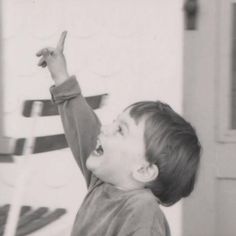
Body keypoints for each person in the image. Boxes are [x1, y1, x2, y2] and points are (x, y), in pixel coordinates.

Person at [36, 31, 201, 236]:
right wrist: (60, 76)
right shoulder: (104, 181)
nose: (105, 128)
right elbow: (83, 127)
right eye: (114, 123)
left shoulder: (143, 211)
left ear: (144, 169)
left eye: (120, 129)